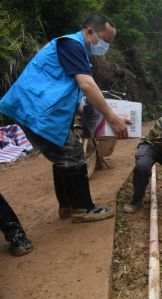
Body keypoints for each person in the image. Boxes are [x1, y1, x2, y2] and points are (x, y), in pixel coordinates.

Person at [0, 14, 129, 222]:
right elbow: (87, 85)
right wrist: (112, 118)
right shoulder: (72, 44)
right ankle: (83, 208)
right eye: (105, 40)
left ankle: (67, 206)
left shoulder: (78, 51)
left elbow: (76, 96)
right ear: (89, 32)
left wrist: (107, 116)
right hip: (35, 109)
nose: (106, 46)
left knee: (63, 154)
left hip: (38, 109)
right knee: (72, 151)